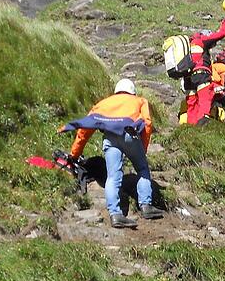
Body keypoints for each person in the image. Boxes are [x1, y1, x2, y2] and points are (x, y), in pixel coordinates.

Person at [59, 79, 162, 229]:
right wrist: (143, 148)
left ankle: (116, 215)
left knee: (113, 176)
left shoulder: (103, 103)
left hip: (110, 137)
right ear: (132, 91)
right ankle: (146, 206)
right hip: (130, 136)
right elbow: (147, 123)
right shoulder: (139, 100)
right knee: (142, 169)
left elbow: (84, 130)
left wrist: (75, 154)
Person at [183, 13, 225, 125]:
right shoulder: (202, 40)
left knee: (192, 105)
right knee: (205, 99)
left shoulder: (188, 45)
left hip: (187, 78)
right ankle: (203, 124)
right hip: (201, 75)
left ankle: (190, 129)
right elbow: (221, 33)